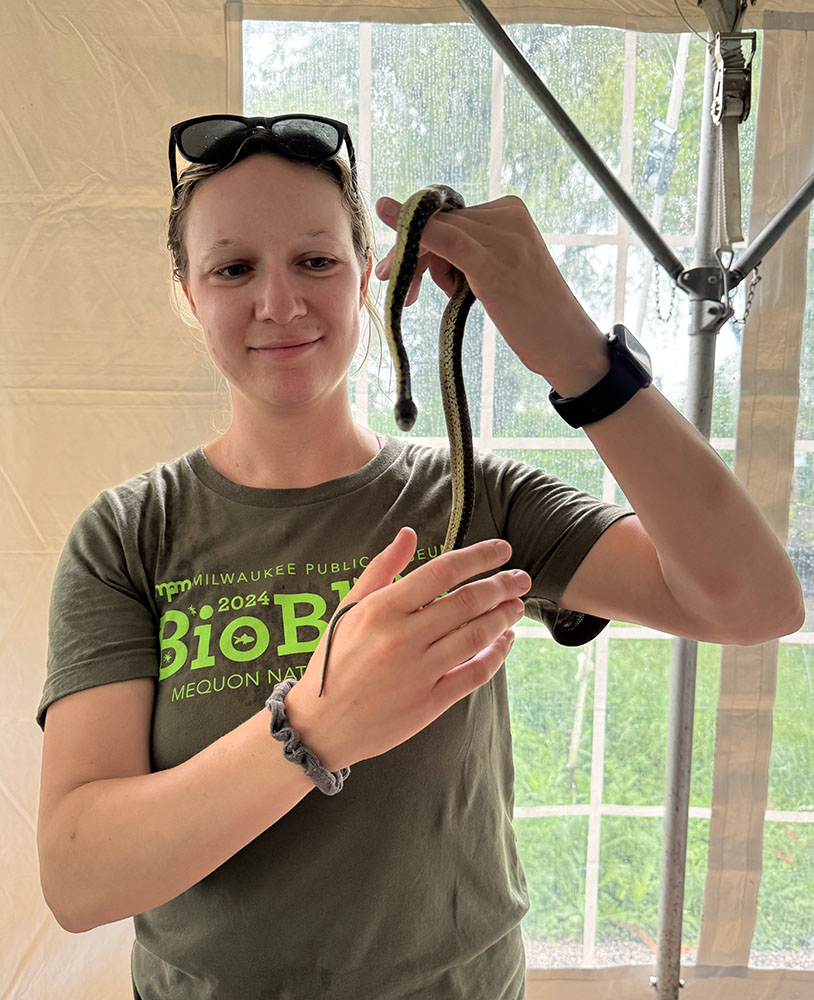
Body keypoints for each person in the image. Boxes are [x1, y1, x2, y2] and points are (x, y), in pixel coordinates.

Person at [36, 113, 803, 1000]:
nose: (278, 303)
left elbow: (754, 602)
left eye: (316, 261)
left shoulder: (479, 499)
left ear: (372, 278)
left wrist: (574, 352)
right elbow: (79, 876)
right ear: (187, 293)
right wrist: (314, 727)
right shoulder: (127, 535)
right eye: (233, 268)